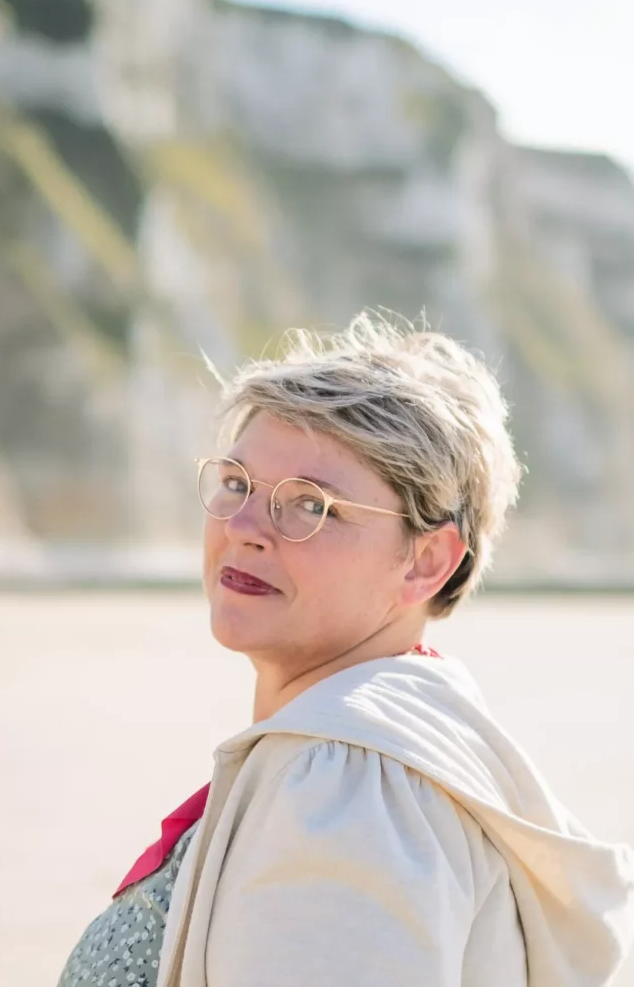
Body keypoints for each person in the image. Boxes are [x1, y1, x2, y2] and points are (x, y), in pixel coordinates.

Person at [57, 310, 634, 987]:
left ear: (426, 562)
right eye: (238, 484)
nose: (244, 527)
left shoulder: (346, 784)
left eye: (310, 505)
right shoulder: (415, 739)